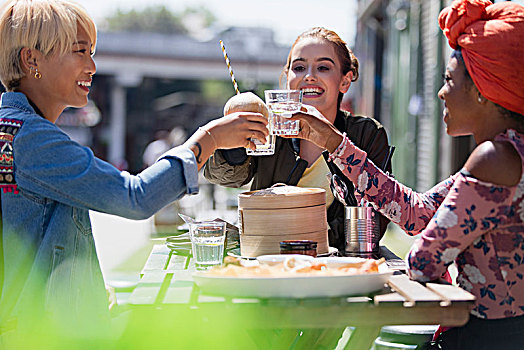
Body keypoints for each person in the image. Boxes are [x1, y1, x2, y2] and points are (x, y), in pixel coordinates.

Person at [0, 0, 268, 344]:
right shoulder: (32, 140)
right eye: (80, 52)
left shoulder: (16, 130)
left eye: (91, 52)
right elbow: (134, 197)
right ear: (31, 60)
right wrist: (209, 139)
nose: (93, 66)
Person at [288, 0, 524, 348]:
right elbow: (415, 212)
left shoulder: (493, 159)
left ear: (481, 92)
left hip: (483, 339)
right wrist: (335, 142)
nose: (442, 92)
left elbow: (423, 259)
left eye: (448, 79)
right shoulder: (509, 151)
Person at [204, 27, 394, 253]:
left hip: (343, 262)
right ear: (287, 79)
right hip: (267, 260)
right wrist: (232, 149)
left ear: (345, 81)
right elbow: (226, 178)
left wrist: (305, 238)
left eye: (323, 67)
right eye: (299, 67)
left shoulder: (367, 134)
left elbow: (378, 217)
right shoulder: (270, 128)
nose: (309, 76)